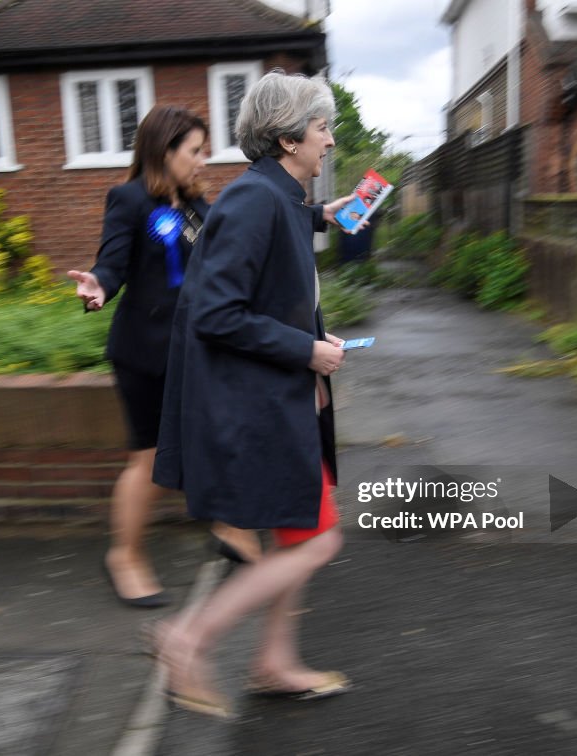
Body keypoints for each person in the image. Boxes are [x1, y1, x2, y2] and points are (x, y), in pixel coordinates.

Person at [151, 70, 358, 717]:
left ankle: (273, 661)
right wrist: (306, 352)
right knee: (319, 540)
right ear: (289, 137)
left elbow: (280, 296)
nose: (329, 140)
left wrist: (312, 365)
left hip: (285, 400)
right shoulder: (257, 200)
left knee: (300, 539)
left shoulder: (286, 199)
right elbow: (215, 312)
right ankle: (186, 639)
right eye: (322, 127)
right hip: (255, 405)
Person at [68, 106, 258, 608]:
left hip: (197, 350)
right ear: (165, 150)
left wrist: (317, 215)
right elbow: (112, 263)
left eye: (204, 150)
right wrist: (98, 288)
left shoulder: (199, 207)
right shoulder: (128, 199)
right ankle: (124, 556)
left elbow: (241, 237)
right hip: (146, 353)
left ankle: (231, 524)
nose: (204, 161)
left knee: (221, 432)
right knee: (150, 458)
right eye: (195, 151)